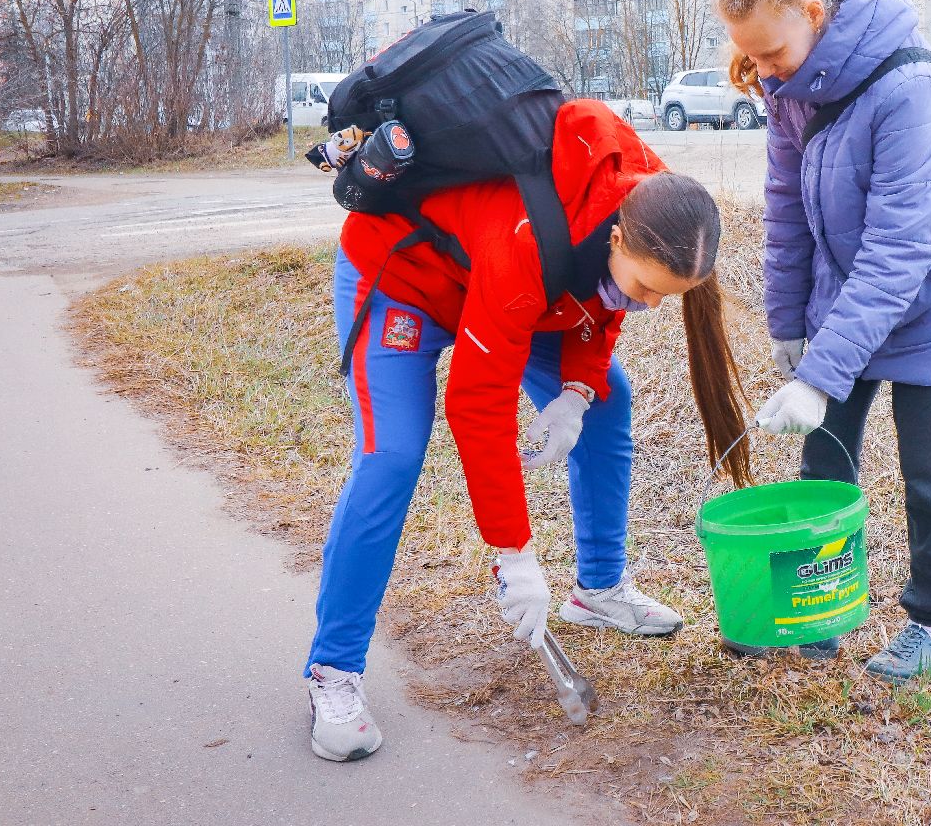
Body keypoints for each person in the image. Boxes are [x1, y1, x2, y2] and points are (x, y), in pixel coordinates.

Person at [305, 97, 749, 761]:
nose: (651, 305)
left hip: (523, 288)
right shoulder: (526, 243)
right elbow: (476, 407)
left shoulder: (656, 201)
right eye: (645, 289)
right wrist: (514, 555)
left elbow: (603, 303)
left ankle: (598, 590)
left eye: (665, 295)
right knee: (390, 456)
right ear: (617, 238)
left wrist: (577, 391)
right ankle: (333, 671)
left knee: (607, 402)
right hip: (408, 278)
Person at [716, 0, 931, 684]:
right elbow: (785, 209)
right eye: (751, 56)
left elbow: (901, 250)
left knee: (930, 475)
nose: (763, 71)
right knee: (824, 466)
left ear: (814, 13)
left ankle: (928, 623)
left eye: (771, 53)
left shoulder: (911, 88)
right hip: (847, 302)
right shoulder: (791, 88)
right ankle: (818, 608)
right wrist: (788, 326)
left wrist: (819, 375)